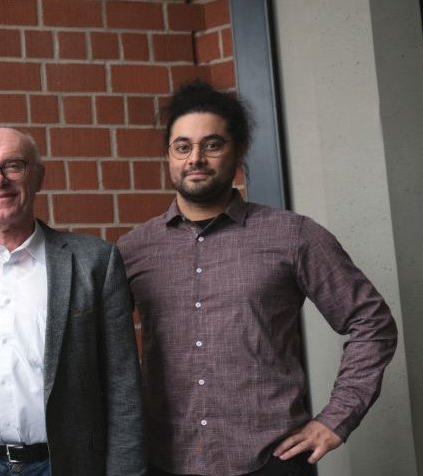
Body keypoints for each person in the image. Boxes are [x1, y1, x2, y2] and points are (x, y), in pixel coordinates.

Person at [116, 80, 399, 476]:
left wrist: (336, 419)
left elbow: (372, 323)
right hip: (165, 461)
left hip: (271, 462)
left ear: (239, 151)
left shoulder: (293, 236)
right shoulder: (133, 249)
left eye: (212, 145)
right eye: (182, 147)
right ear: (169, 155)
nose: (195, 158)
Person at [0, 127, 146, 476]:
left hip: (66, 465)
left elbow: (123, 386)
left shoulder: (95, 261)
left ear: (38, 175)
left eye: (13, 166)